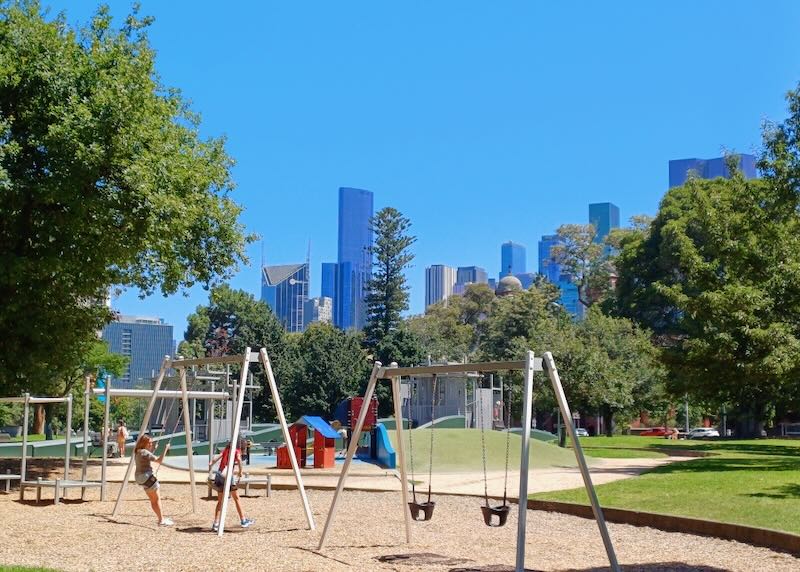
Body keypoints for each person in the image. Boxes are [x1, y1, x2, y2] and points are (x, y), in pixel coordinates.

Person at [210, 437, 254, 532]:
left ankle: (216, 523)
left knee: (220, 501)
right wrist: (240, 471)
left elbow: (219, 456)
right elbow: (238, 459)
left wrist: (212, 463)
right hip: (227, 476)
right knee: (237, 498)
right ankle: (243, 520)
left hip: (219, 474)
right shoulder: (236, 450)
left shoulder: (227, 449)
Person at [133, 433, 173, 526]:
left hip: (140, 479)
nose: (151, 444)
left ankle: (160, 518)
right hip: (147, 477)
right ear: (144, 443)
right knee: (157, 499)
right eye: (149, 443)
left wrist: (153, 449)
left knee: (153, 500)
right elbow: (159, 460)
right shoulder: (145, 452)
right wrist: (166, 448)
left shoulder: (138, 451)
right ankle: (161, 520)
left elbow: (147, 457)